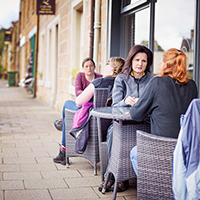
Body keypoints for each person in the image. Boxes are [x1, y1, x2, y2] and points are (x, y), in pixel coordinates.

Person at [130, 48, 198, 175]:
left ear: (165, 64)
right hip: (186, 151)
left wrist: (139, 105)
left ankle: (153, 185)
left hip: (161, 150)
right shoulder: (192, 86)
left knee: (134, 151)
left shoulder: (157, 82)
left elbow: (136, 114)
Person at [98, 44, 154, 193]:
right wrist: (126, 101)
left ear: (147, 63)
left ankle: (121, 178)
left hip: (144, 122)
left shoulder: (152, 80)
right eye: (137, 60)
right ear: (131, 60)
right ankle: (114, 177)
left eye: (144, 61)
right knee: (112, 133)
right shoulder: (121, 78)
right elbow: (115, 105)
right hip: (122, 123)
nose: (140, 64)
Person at [53, 57, 102, 165]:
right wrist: (87, 95)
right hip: (83, 106)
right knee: (68, 106)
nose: (89, 68)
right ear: (83, 68)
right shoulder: (80, 76)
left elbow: (82, 95)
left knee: (67, 104)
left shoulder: (99, 77)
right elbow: (77, 91)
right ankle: (63, 123)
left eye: (91, 66)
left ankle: (63, 150)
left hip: (89, 107)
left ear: (95, 67)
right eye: (86, 66)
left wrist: (86, 96)